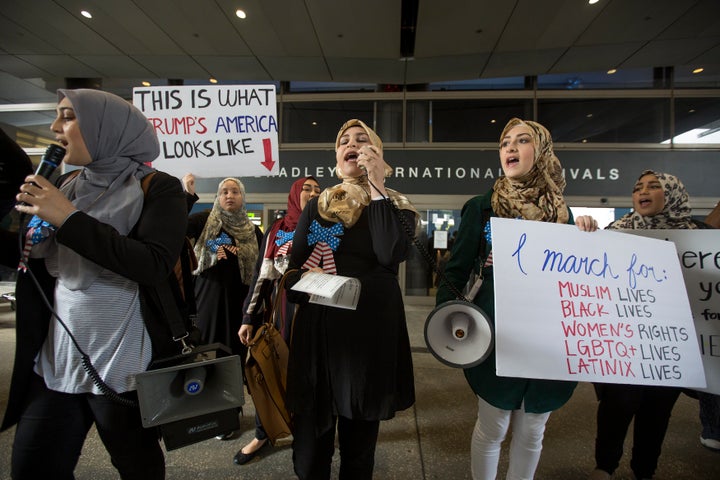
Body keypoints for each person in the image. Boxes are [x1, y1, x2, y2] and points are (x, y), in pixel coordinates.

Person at [1, 88, 188, 479]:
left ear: (107, 128)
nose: (55, 127)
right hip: (59, 357)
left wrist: (67, 218)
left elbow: (152, 263)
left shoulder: (158, 187)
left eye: (68, 117)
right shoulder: (63, 185)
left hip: (123, 366)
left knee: (137, 466)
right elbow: (24, 256)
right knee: (32, 466)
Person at [436, 117, 598, 480]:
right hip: (496, 336)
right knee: (492, 428)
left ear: (540, 152)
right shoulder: (482, 207)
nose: (509, 147)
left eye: (521, 141)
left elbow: (576, 275)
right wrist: (449, 320)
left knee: (532, 431)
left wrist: (588, 238)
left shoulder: (563, 213)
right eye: (505, 142)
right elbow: (455, 272)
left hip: (547, 338)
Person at [282, 119, 418, 479]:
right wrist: (305, 283)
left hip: (368, 337)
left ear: (378, 153)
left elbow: (390, 252)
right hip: (321, 336)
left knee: (358, 454)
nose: (351, 144)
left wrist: (377, 189)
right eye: (344, 140)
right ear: (337, 155)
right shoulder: (320, 206)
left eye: (362, 139)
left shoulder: (397, 205)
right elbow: (295, 270)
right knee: (310, 455)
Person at [588, 170, 701, 480]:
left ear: (673, 193)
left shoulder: (697, 238)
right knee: (616, 406)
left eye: (653, 186)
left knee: (657, 412)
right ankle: (605, 466)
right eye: (638, 187)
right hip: (623, 342)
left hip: (669, 346)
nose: (643, 191)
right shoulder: (616, 231)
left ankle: (645, 470)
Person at [235, 175, 321, 465]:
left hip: (315, 316)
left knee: (310, 377)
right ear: (295, 194)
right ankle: (263, 432)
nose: (312, 193)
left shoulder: (326, 228)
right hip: (281, 315)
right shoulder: (278, 229)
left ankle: (308, 433)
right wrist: (249, 316)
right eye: (306, 188)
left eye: (317, 189)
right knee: (269, 372)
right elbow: (261, 276)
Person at [184, 174, 263, 439]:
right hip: (208, 304)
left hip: (239, 308)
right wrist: (188, 195)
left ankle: (230, 415)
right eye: (224, 192)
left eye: (235, 192)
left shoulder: (253, 231)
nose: (229, 195)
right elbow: (174, 228)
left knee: (234, 362)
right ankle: (212, 415)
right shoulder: (204, 221)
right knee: (208, 359)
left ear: (243, 198)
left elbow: (261, 272)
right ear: (218, 197)